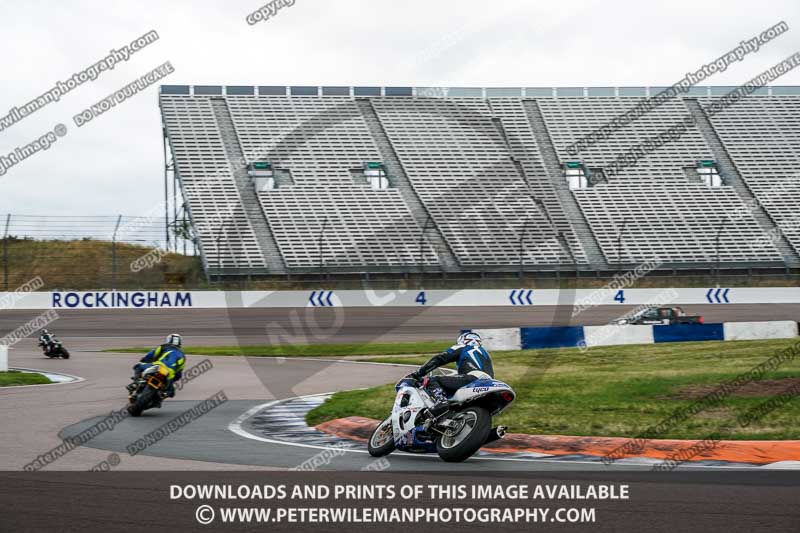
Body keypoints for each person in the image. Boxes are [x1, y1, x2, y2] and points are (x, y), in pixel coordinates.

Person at [410, 331, 494, 417]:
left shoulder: (464, 347)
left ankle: (441, 402)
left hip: (472, 378)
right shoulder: (485, 353)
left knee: (433, 380)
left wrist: (419, 373)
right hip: (489, 383)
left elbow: (440, 358)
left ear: (462, 340)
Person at [127, 333, 186, 398]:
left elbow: (152, 354)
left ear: (168, 340)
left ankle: (136, 382)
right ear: (180, 342)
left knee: (138, 366)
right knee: (171, 391)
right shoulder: (182, 354)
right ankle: (165, 393)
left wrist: (144, 359)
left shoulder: (164, 346)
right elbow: (179, 371)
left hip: (159, 365)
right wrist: (173, 377)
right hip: (170, 372)